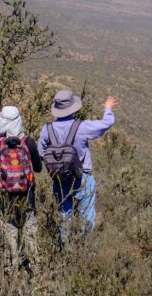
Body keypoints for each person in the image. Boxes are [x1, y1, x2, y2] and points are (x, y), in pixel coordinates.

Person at [38, 89, 116, 246]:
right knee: (87, 215)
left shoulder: (47, 129)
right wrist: (107, 108)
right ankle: (87, 252)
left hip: (59, 179)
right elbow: (106, 123)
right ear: (72, 107)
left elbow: (41, 152)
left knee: (64, 215)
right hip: (82, 177)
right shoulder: (82, 126)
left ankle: (66, 249)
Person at [0, 106, 42, 271]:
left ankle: (11, 267)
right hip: (27, 193)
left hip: (6, 195)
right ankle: (35, 266)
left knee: (10, 228)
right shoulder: (28, 142)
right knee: (29, 228)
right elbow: (38, 168)